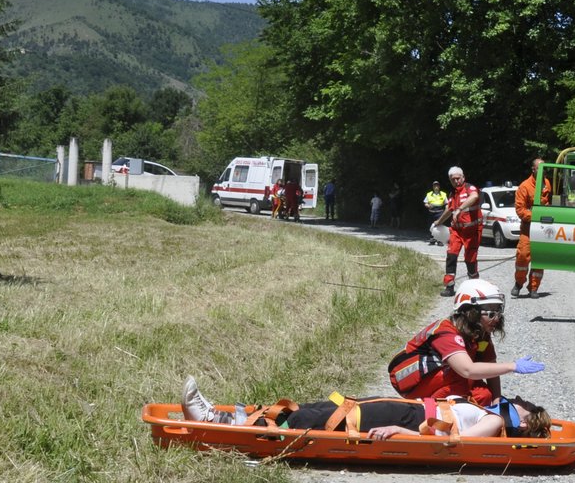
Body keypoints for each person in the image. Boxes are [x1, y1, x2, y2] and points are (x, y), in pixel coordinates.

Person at [180, 377, 552, 440]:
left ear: (523, 415)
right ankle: (234, 416)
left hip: (403, 419)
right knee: (318, 409)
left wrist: (405, 433)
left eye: (523, 403)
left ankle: (214, 421)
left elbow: (454, 443)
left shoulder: (492, 424)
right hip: (400, 409)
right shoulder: (488, 414)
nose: (516, 398)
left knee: (314, 419)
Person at [389, 278, 545, 406]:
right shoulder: (446, 332)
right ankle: (428, 410)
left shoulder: (479, 332)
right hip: (411, 383)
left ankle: (466, 417)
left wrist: (496, 401)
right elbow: (467, 370)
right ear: (470, 311)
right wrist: (513, 366)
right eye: (490, 311)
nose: (496, 317)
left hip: (445, 376)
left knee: (484, 396)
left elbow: (490, 366)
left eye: (498, 310)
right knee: (459, 381)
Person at [433, 166, 482, 297]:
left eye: (458, 178)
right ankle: (449, 286)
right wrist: (438, 222)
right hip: (456, 230)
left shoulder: (470, 188)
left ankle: (474, 285)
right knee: (451, 255)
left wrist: (460, 209)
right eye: (452, 179)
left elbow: (474, 196)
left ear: (463, 177)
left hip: (472, 231)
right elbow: (449, 209)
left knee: (470, 259)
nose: (456, 181)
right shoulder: (452, 194)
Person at [513, 157, 551, 298]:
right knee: (523, 256)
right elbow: (520, 210)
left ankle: (534, 288)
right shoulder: (524, 186)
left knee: (539, 258)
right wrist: (536, 216)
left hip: (543, 229)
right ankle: (518, 283)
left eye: (544, 168)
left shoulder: (547, 183)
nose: (542, 171)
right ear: (533, 169)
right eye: (539, 168)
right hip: (528, 228)